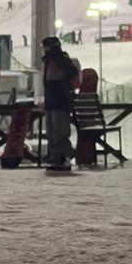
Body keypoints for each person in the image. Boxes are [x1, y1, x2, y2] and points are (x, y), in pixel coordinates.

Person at [41, 37, 78, 169]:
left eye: (45, 47)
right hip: (51, 100)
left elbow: (72, 75)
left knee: (59, 131)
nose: (44, 49)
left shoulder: (61, 60)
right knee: (51, 132)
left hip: (59, 100)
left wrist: (65, 90)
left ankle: (63, 158)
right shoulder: (48, 61)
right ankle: (56, 157)